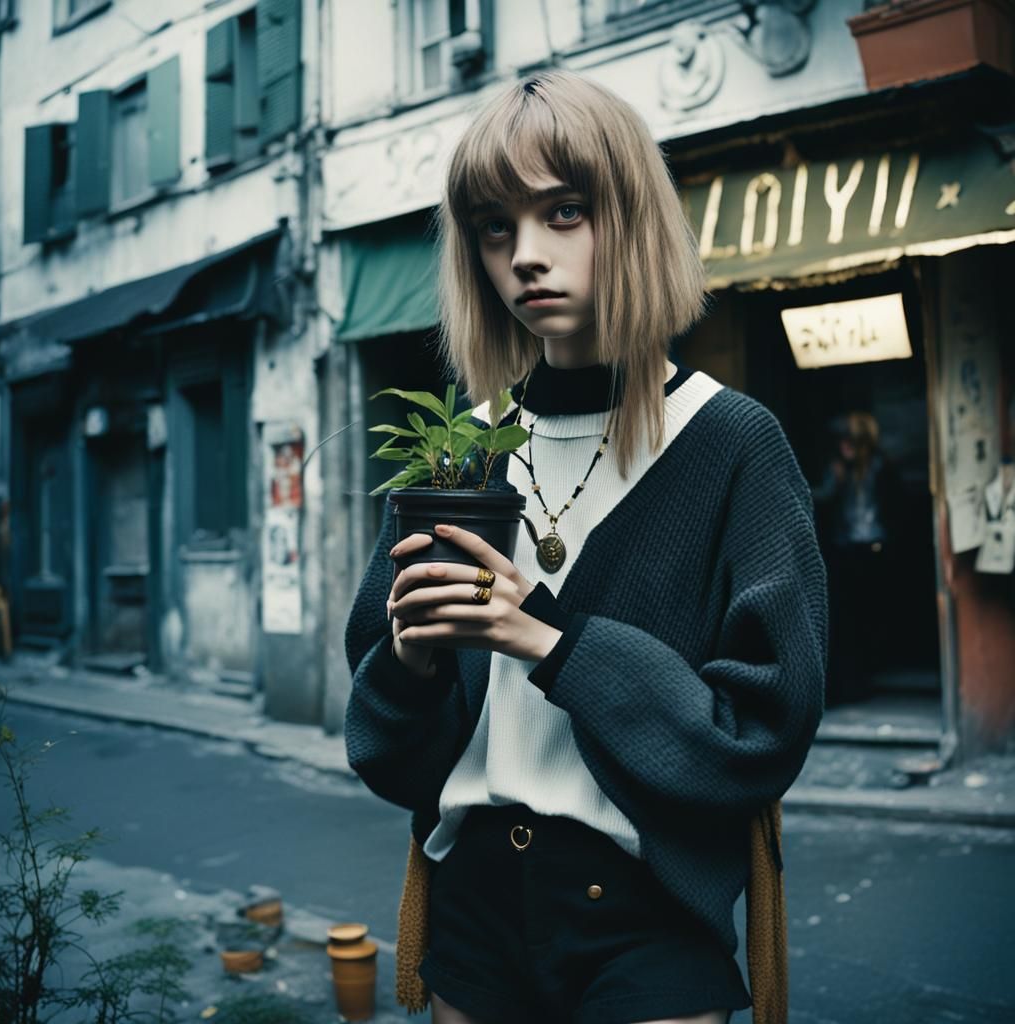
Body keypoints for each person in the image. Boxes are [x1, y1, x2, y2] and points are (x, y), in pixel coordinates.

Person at [344, 71, 827, 1024]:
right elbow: (388, 753)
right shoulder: (455, 451)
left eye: (565, 212)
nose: (526, 255)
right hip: (473, 908)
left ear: (633, 217)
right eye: (495, 226)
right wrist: (413, 663)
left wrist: (552, 642)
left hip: (647, 917)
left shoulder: (732, 443)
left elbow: (761, 732)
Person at [811, 412, 902, 706]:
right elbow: (820, 499)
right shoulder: (838, 469)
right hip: (844, 549)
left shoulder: (881, 467)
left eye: (849, 440)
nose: (843, 446)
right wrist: (834, 483)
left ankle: (871, 676)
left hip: (876, 549)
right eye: (841, 441)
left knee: (871, 616)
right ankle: (849, 685)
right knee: (844, 619)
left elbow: (896, 508)